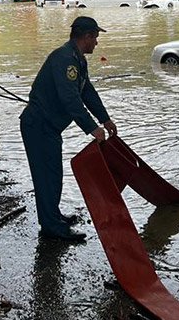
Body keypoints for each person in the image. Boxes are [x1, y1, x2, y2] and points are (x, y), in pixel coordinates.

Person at [20, 16, 117, 242]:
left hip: (49, 128)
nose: (97, 43)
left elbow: (86, 92)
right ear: (87, 36)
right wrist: (92, 128)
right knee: (47, 177)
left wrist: (105, 119)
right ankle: (52, 227)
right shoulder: (65, 58)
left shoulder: (77, 59)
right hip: (39, 126)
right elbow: (70, 99)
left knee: (53, 174)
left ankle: (53, 217)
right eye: (96, 38)